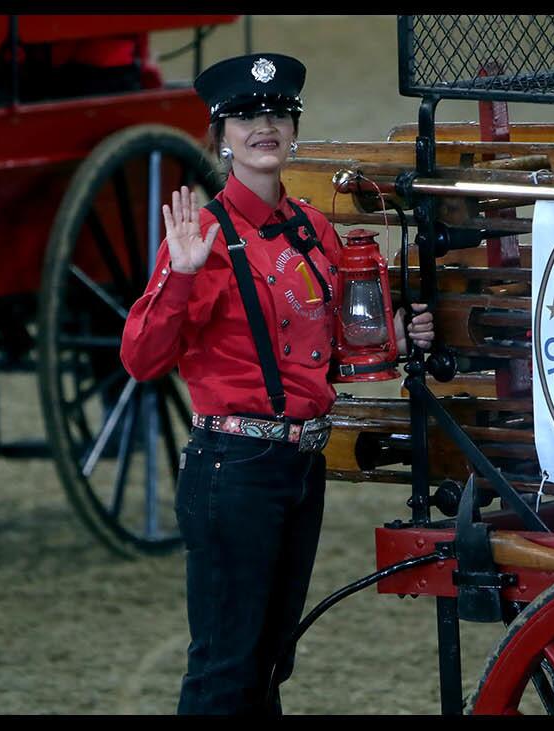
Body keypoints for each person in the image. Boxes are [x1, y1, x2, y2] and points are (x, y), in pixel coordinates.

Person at [119, 52, 434, 715]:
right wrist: (178, 276)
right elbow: (142, 359)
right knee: (224, 667)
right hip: (232, 469)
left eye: (276, 115)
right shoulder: (199, 237)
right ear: (221, 135)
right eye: (244, 117)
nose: (263, 127)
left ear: (293, 129)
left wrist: (398, 339)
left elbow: (332, 353)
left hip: (298, 466)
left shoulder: (311, 229)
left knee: (268, 663)